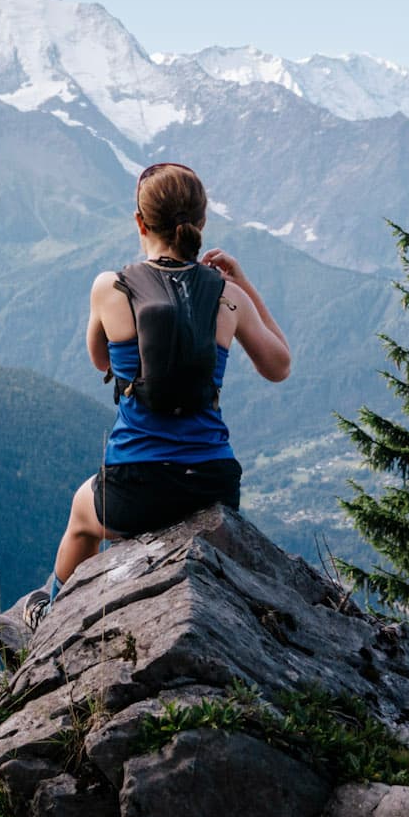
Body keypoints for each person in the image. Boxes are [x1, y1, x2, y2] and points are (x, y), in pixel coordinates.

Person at [38, 163, 291, 607]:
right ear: (202, 222)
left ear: (140, 221)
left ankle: (50, 609)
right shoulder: (228, 295)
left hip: (138, 488)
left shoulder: (110, 286)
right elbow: (279, 365)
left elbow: (101, 360)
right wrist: (242, 283)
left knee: (81, 517)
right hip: (213, 483)